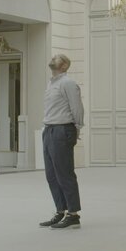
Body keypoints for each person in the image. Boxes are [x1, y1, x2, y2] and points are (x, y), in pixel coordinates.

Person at [39, 54, 84, 229]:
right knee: (51, 175)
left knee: (64, 173)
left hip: (62, 130)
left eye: (58, 58)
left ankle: (73, 214)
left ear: (65, 65)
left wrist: (76, 129)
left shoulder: (68, 83)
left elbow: (77, 108)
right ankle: (61, 210)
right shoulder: (51, 84)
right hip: (49, 129)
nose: (53, 58)